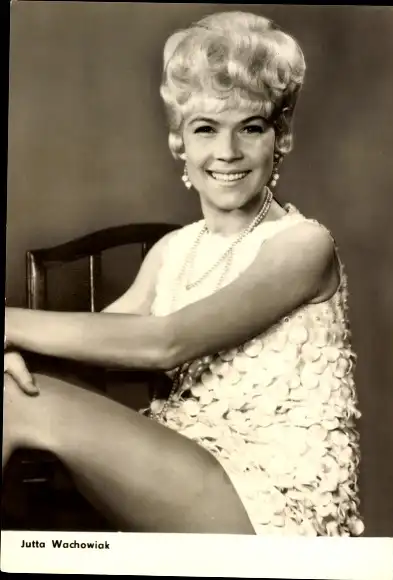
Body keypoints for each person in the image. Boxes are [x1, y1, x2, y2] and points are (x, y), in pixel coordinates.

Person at [3, 11, 363, 536]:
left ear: (281, 136)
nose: (227, 152)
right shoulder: (172, 251)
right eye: (206, 129)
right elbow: (94, 345)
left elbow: (166, 343)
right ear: (180, 142)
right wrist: (16, 352)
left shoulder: (304, 245)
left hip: (271, 505)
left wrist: (9, 324)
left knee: (9, 402)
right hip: (188, 467)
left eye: (251, 128)